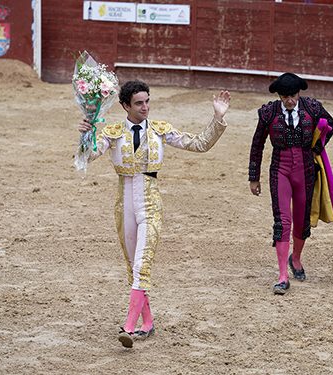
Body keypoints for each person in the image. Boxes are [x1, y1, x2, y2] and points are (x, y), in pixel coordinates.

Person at [78, 80, 230, 347]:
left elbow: (199, 144)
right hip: (123, 203)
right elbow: (86, 156)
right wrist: (85, 133)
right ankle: (147, 323)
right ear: (125, 105)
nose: (145, 107)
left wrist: (217, 118)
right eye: (139, 103)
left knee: (142, 265)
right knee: (132, 267)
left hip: (150, 202)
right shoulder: (112, 133)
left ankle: (128, 326)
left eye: (147, 101)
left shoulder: (161, 130)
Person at [248, 72, 333, 295]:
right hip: (280, 169)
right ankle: (282, 276)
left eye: (293, 96)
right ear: (279, 95)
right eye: (285, 96)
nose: (290, 101)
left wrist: (317, 148)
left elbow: (332, 125)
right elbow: (257, 144)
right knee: (282, 222)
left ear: (299, 93)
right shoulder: (269, 112)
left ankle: (295, 258)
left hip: (306, 169)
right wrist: (254, 177)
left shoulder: (312, 108)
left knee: (301, 220)